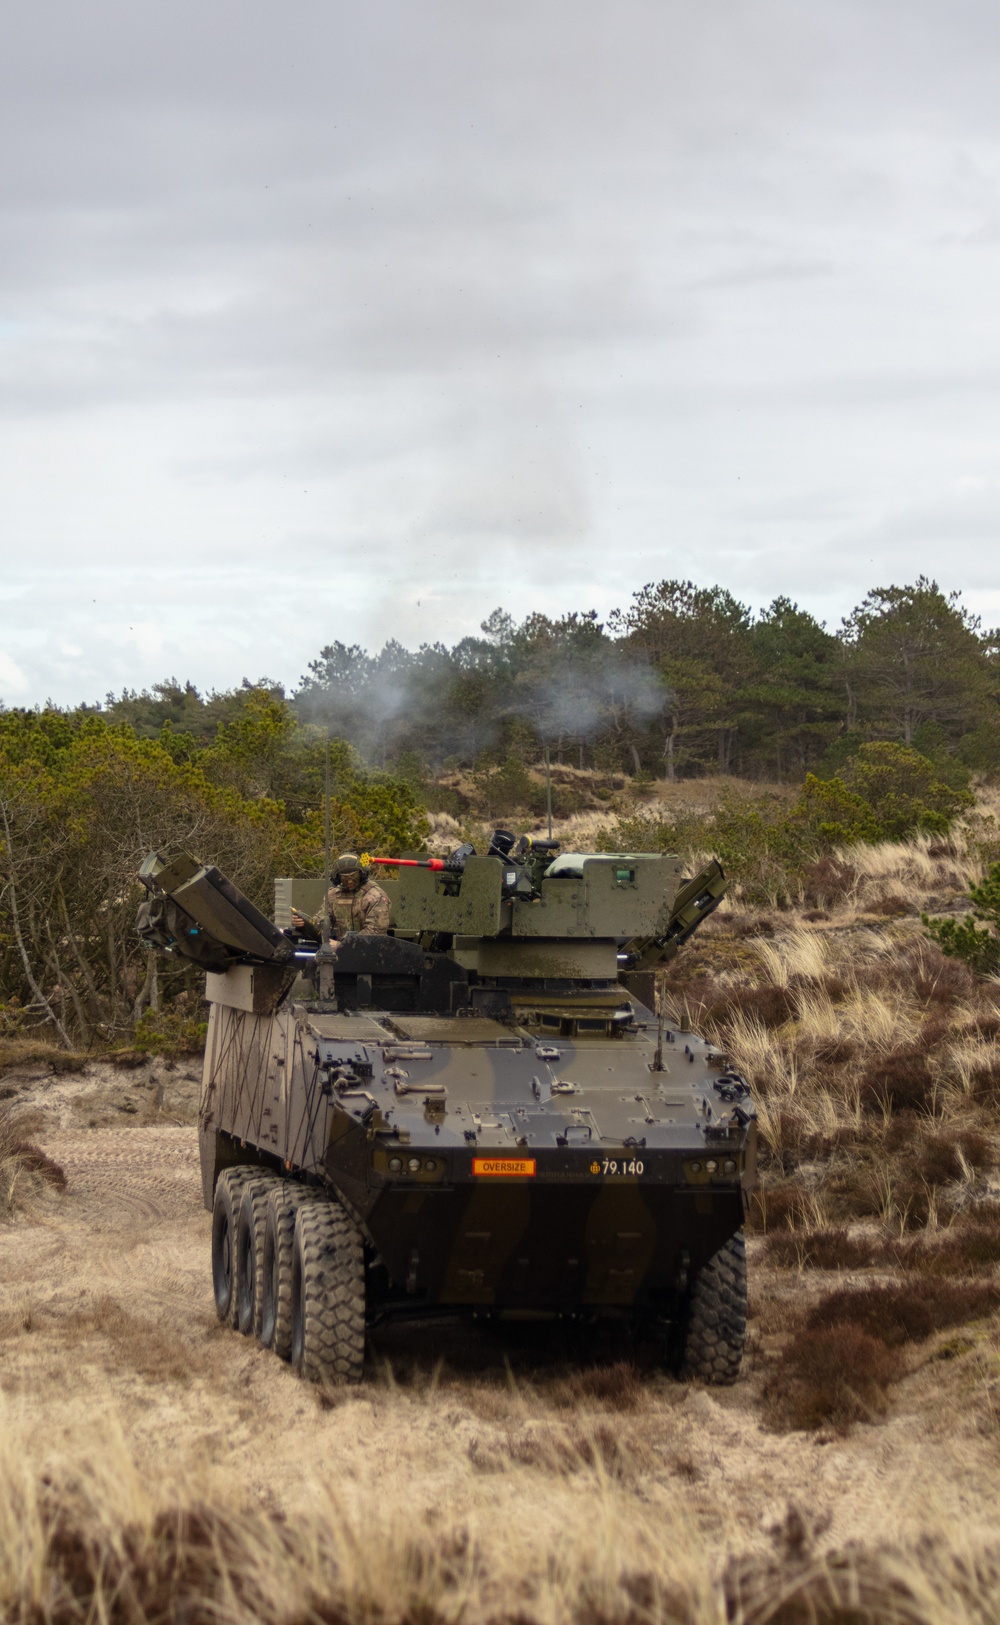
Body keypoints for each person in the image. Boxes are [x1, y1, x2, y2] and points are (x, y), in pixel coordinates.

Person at [290, 853, 391, 949]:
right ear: (338, 878)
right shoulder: (333, 896)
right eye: (345, 879)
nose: (350, 882)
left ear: (362, 874)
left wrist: (341, 945)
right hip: (344, 954)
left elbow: (375, 933)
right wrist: (304, 924)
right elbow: (322, 923)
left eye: (354, 877)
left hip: (371, 954)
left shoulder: (375, 896)